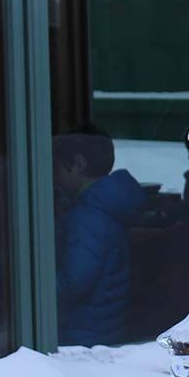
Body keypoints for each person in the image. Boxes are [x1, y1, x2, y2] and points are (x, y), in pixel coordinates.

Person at [53, 124, 146, 347]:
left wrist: (36, 282)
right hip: (104, 328)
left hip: (82, 335)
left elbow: (75, 282)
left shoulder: (87, 216)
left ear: (78, 164)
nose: (53, 178)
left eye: (56, 169)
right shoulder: (104, 206)